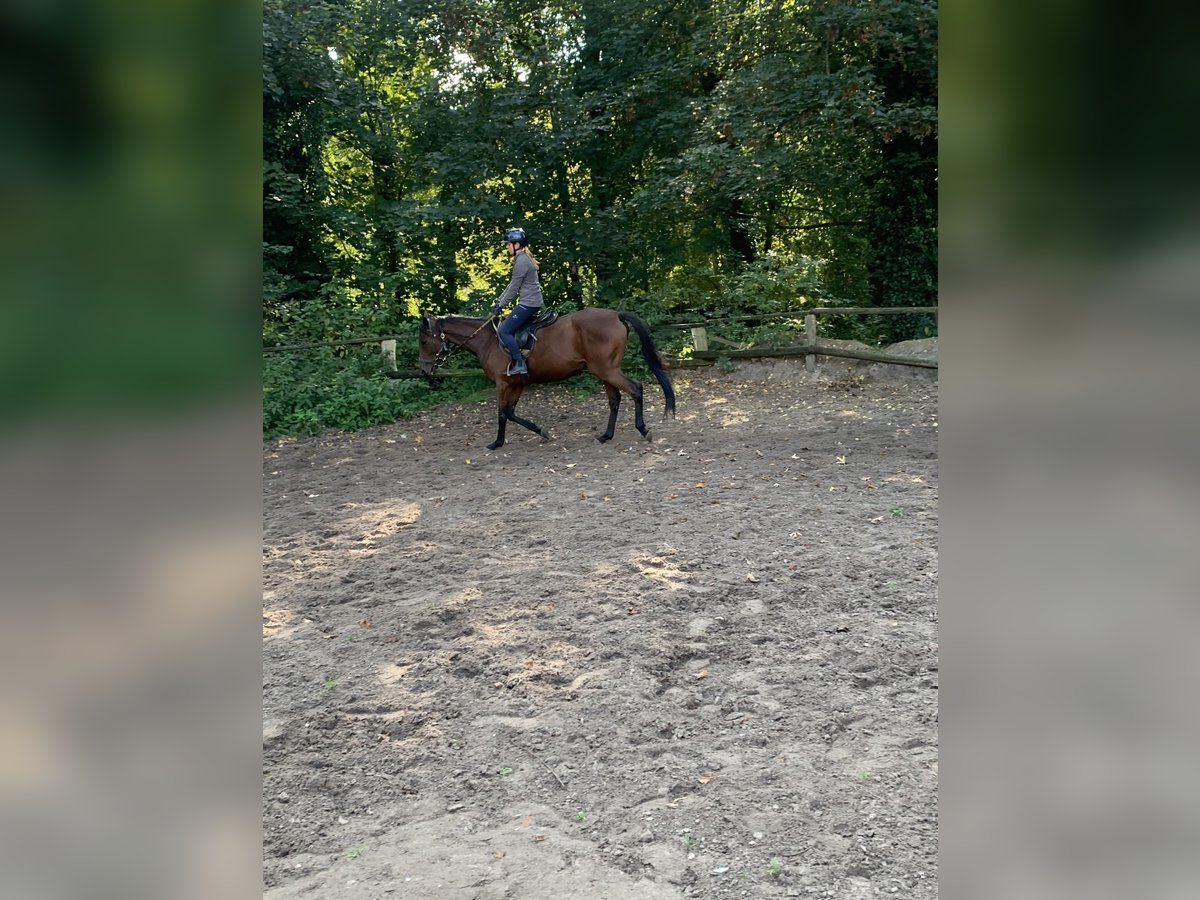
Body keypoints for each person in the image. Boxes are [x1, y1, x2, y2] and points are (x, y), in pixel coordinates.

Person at [490, 227, 544, 375]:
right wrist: (499, 301)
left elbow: (514, 287)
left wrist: (501, 305)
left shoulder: (521, 261)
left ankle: (519, 362)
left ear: (517, 245)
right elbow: (512, 285)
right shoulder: (522, 259)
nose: (507, 247)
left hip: (529, 303)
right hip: (530, 301)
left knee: (504, 331)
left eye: (508, 244)